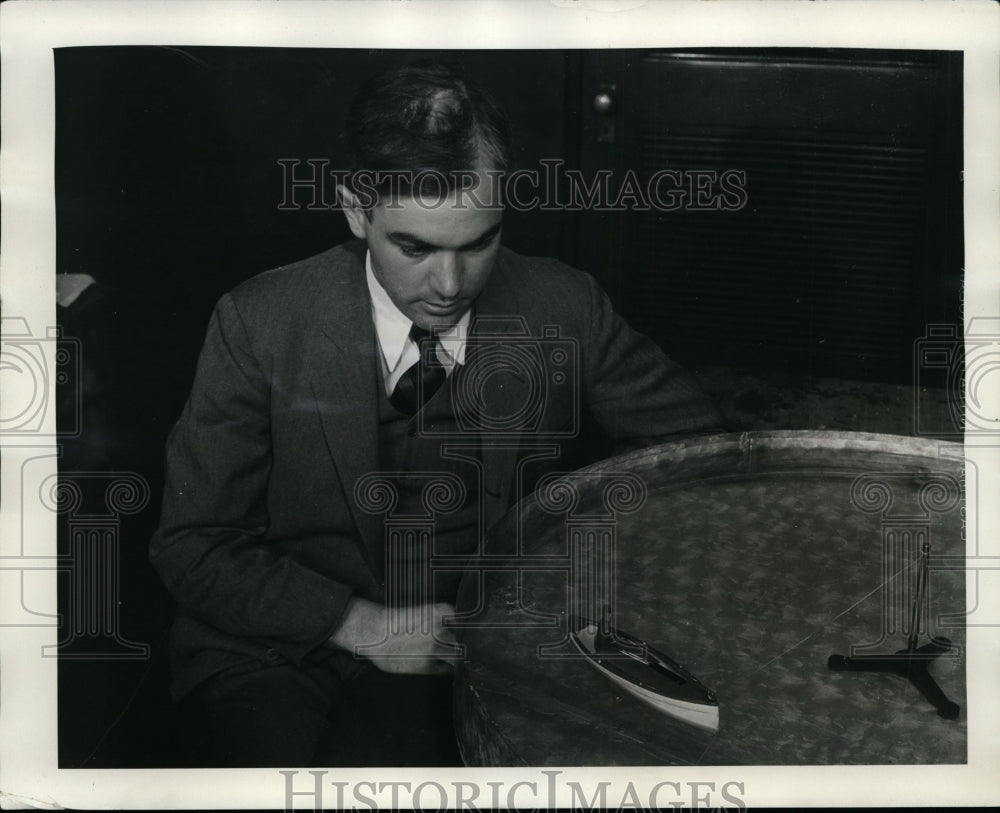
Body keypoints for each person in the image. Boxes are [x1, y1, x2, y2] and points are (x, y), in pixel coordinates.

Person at [149, 61, 723, 767]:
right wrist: (358, 625)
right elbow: (192, 542)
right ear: (357, 209)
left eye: (478, 243)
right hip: (276, 649)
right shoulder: (257, 322)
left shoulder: (566, 306)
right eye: (414, 248)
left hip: (471, 645)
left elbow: (707, 463)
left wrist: (576, 581)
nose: (449, 286)